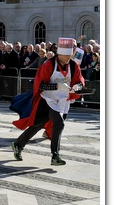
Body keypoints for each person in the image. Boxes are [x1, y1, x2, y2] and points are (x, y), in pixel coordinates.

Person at [10, 38, 85, 166]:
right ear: (59, 54)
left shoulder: (73, 65)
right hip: (47, 99)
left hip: (63, 100)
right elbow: (40, 85)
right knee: (59, 123)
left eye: (69, 55)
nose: (68, 58)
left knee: (38, 125)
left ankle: (18, 144)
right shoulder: (49, 65)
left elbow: (79, 80)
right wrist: (56, 86)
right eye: (65, 55)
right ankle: (55, 155)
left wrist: (78, 87)